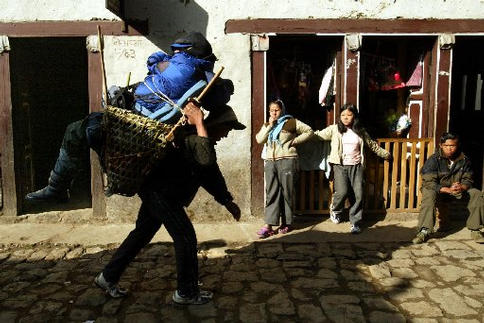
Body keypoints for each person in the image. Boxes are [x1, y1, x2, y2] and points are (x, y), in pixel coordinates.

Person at [24, 32, 223, 203]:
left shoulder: (182, 68)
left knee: (76, 130)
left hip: (135, 120)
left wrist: (164, 61)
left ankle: (57, 188)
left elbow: (153, 61)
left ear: (188, 50)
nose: (174, 53)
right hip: (145, 115)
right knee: (90, 129)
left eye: (178, 50)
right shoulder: (196, 70)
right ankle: (67, 185)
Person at [94, 103, 245, 304]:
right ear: (215, 124)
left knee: (142, 234)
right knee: (186, 237)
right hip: (161, 195)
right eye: (227, 128)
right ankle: (187, 292)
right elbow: (207, 161)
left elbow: (211, 176)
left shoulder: (202, 143)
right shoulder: (190, 137)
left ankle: (107, 277)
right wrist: (200, 123)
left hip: (156, 193)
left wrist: (227, 201)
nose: (226, 134)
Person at [314, 103, 392, 234]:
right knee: (342, 192)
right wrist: (301, 135)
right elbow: (318, 135)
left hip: (357, 166)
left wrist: (385, 154)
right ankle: (336, 209)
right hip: (340, 166)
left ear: (354, 116)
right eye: (343, 115)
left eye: (349, 115)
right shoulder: (334, 129)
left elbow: (372, 145)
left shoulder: (360, 131)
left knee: (358, 194)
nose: (345, 117)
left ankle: (355, 222)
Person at [255, 99, 313, 238]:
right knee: (271, 192)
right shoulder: (268, 124)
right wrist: (269, 125)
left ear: (282, 110)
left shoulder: (291, 122)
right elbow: (259, 139)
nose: (274, 113)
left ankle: (287, 223)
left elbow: (309, 131)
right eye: (271, 110)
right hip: (270, 161)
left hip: (287, 160)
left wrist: (295, 141)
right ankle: (268, 224)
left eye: (277, 110)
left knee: (287, 192)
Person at [412, 132, 484, 244]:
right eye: (446, 146)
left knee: (476, 193)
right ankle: (424, 230)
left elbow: (468, 179)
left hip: (456, 190)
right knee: (428, 195)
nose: (449, 149)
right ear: (441, 145)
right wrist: (446, 189)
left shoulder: (464, 160)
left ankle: (475, 229)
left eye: (452, 146)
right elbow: (428, 182)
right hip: (438, 190)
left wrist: (462, 187)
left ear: (457, 145)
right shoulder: (434, 160)